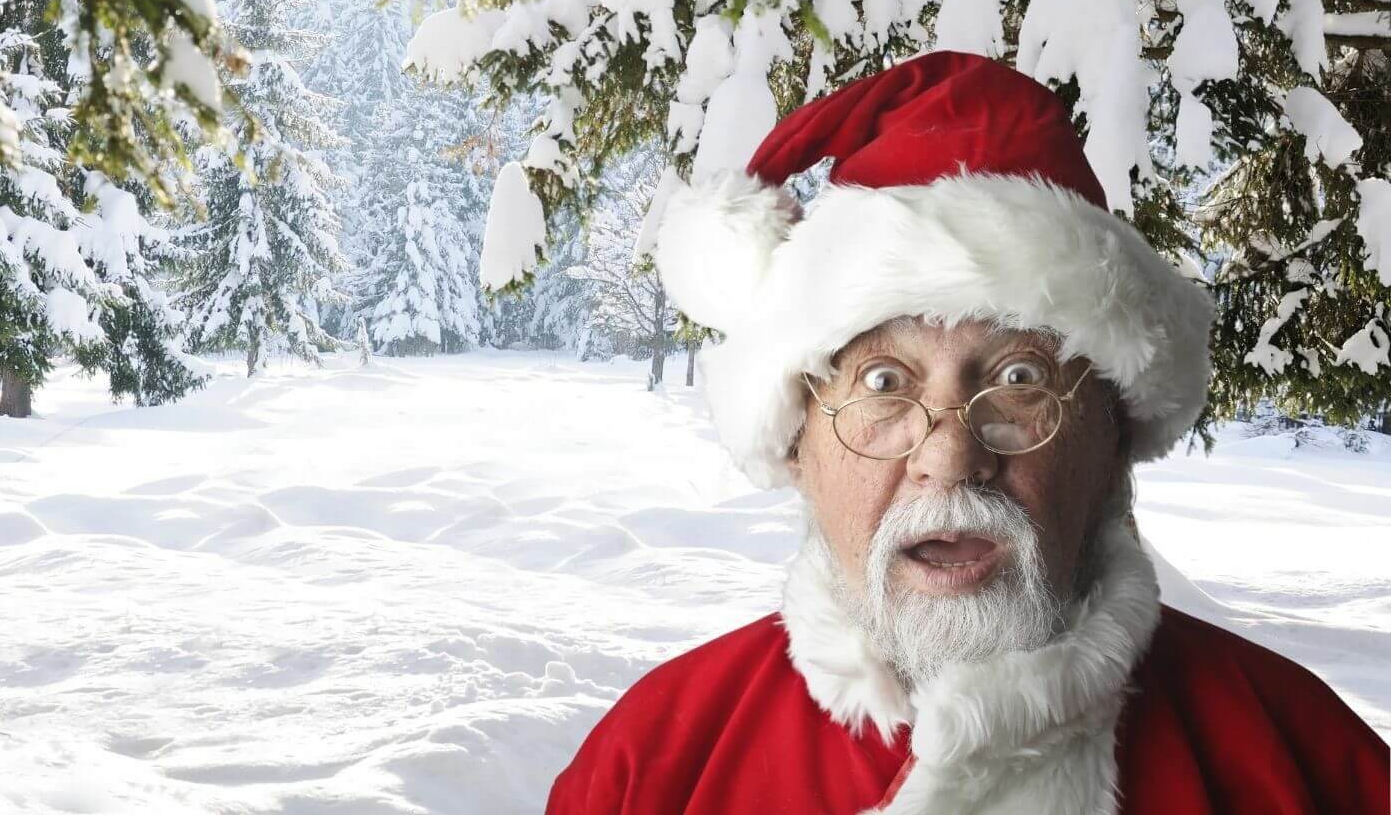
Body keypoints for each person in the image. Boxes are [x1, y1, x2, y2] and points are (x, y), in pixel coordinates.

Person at [547, 52, 1390, 814]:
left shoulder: (1306, 764)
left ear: (1112, 443)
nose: (950, 459)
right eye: (884, 382)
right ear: (798, 442)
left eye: (1020, 379)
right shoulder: (652, 768)